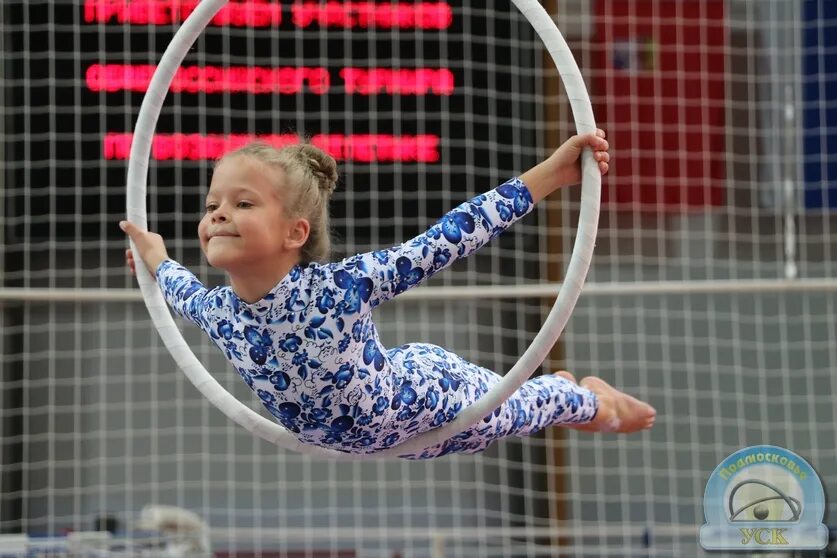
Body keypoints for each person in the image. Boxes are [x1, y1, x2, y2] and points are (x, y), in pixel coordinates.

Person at [121, 131, 655, 459]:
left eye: (242, 204)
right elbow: (176, 281)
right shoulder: (221, 312)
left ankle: (595, 404)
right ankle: (556, 393)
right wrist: (152, 254)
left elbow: (447, 238)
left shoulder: (341, 288)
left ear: (295, 233)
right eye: (213, 203)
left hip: (429, 396)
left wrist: (549, 177)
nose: (217, 214)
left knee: (518, 412)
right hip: (394, 443)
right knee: (511, 415)